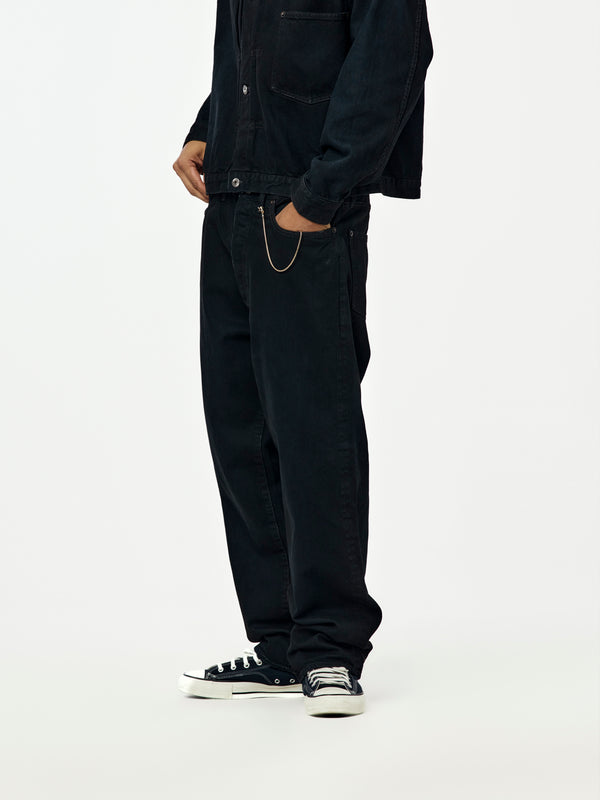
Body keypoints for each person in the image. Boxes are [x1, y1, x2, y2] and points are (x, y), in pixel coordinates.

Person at [173, 0, 434, 717]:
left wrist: (320, 196)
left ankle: (329, 650)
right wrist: (209, 128)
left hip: (304, 213)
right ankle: (283, 647)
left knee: (316, 433)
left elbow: (393, 60)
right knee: (241, 431)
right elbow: (262, 62)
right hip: (233, 202)